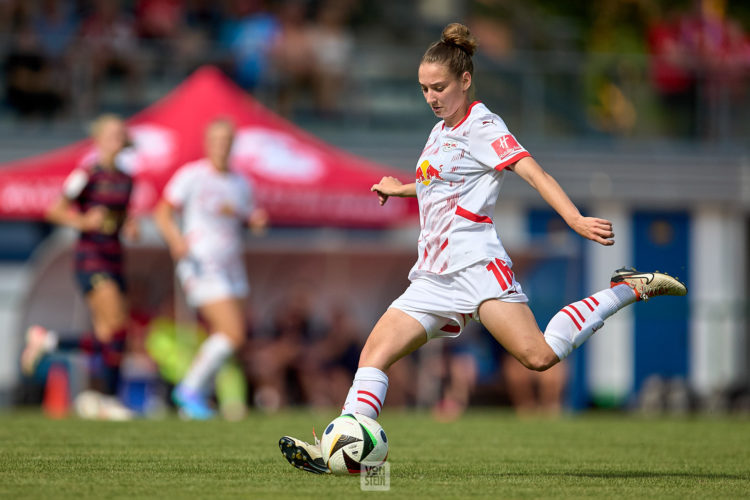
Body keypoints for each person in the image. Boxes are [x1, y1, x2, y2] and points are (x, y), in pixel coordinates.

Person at [278, 22, 688, 474]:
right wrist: (402, 189)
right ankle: (343, 453)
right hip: (432, 275)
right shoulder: (439, 132)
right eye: (423, 89)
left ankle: (626, 288)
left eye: (439, 87)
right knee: (373, 354)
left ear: (465, 81)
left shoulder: (483, 125)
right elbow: (441, 182)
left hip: (477, 266)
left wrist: (573, 218)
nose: (431, 97)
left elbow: (532, 171)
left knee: (538, 357)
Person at [21, 113, 137, 419]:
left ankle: (51, 343)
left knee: (111, 335)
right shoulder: (87, 174)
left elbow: (122, 217)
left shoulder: (126, 179)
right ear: (98, 140)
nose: (116, 140)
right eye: (110, 134)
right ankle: (111, 399)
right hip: (91, 257)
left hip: (115, 256)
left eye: (119, 134)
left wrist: (129, 225)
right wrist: (83, 220)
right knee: (116, 325)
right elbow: (54, 210)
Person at [154, 118, 268, 419]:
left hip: (232, 266)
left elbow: (245, 216)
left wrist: (255, 221)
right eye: (216, 139)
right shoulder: (192, 176)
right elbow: (162, 212)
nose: (221, 145)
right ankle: (188, 390)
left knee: (227, 335)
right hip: (201, 264)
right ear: (207, 143)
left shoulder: (241, 183)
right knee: (233, 333)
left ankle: (197, 398)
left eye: (227, 140)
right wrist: (176, 240)